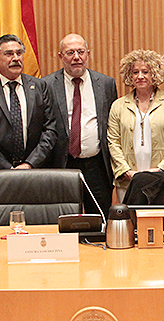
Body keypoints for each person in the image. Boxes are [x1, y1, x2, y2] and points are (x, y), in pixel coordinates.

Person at [0, 34, 57, 208]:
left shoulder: (40, 86)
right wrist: (7, 169)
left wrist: (30, 164)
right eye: (9, 54)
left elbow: (50, 130)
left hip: (34, 173)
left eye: (19, 53)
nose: (15, 58)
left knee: (34, 228)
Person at [42, 34, 117, 214]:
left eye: (81, 52)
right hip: (62, 164)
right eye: (70, 53)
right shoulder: (46, 85)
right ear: (60, 56)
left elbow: (112, 124)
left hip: (97, 166)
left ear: (88, 54)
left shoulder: (106, 84)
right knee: (65, 220)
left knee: (100, 220)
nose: (76, 57)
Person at [108, 49, 164, 201]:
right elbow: (113, 141)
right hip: (128, 181)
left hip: (161, 178)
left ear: (154, 73)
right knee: (130, 220)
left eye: (145, 72)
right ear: (129, 75)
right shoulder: (118, 105)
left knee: (160, 221)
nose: (140, 76)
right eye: (135, 72)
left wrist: (162, 169)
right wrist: (125, 171)